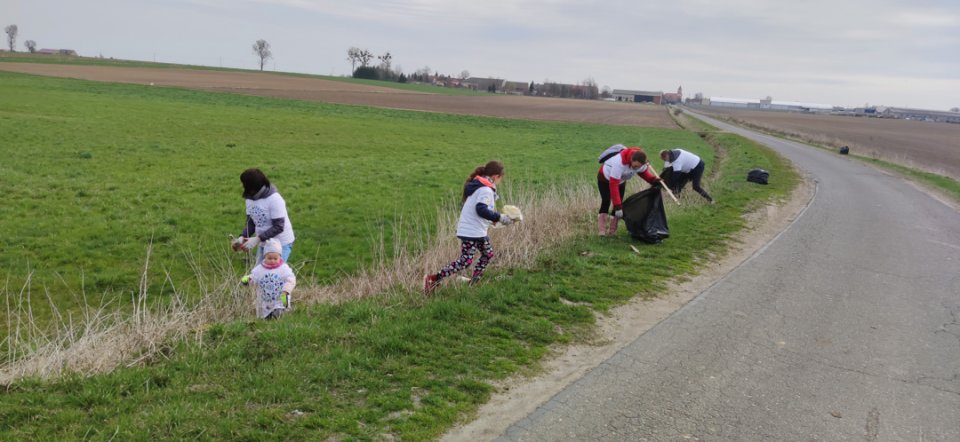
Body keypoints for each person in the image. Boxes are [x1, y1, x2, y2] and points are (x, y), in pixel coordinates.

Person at [423, 160, 515, 295]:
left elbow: (479, 211)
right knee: (465, 261)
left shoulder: (482, 187)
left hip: (477, 231)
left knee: (487, 254)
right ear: (496, 176)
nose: (500, 181)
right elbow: (480, 210)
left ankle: (475, 281)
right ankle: (433, 279)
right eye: (501, 178)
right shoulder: (485, 189)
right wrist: (499, 217)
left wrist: (494, 221)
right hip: (471, 232)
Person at [231, 168, 296, 264]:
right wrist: (242, 237)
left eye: (243, 183)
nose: (241, 185)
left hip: (281, 243)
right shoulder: (249, 199)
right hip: (263, 242)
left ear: (251, 186)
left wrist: (257, 239)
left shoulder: (274, 199)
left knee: (274, 275)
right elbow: (251, 222)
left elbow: (278, 226)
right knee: (259, 274)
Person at [597, 145, 662, 236]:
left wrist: (653, 180)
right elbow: (613, 185)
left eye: (638, 167)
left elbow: (644, 173)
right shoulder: (619, 162)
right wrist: (618, 206)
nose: (636, 168)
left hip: (621, 181)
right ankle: (601, 230)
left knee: (620, 202)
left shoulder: (641, 164)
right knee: (606, 201)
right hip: (605, 179)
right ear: (631, 159)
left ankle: (612, 231)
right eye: (635, 166)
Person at [241, 239, 296, 320]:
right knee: (266, 318)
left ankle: (280, 318)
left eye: (275, 258)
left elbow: (291, 279)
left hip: (280, 300)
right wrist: (248, 280)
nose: (272, 260)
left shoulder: (283, 268)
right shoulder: (260, 269)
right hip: (265, 301)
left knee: (278, 315)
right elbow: (254, 277)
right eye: (269, 258)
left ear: (279, 257)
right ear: (265, 256)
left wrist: (286, 290)